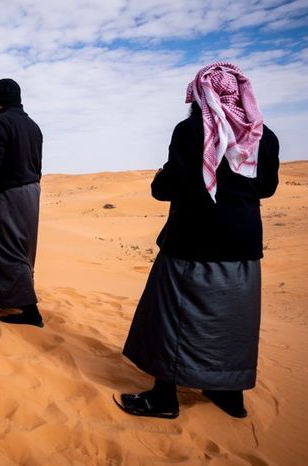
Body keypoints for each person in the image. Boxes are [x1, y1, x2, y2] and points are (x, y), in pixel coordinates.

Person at [116, 62, 280, 419]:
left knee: (173, 317)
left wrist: (160, 180)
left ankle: (163, 398)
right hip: (243, 245)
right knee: (233, 321)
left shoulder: (193, 130)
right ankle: (229, 395)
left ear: (202, 94)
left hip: (194, 241)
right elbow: (266, 187)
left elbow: (171, 185)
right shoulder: (262, 135)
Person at [0, 78, 44, 327]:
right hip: (32, 192)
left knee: (8, 248)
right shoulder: (33, 126)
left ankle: (31, 312)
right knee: (24, 248)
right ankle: (17, 298)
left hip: (8, 195)